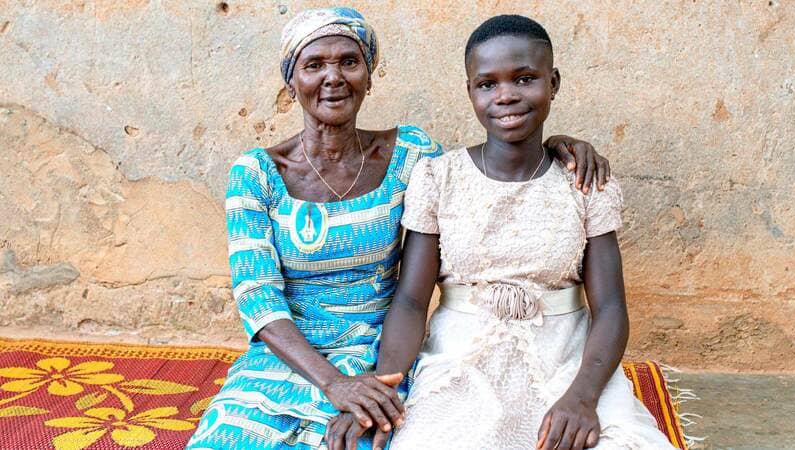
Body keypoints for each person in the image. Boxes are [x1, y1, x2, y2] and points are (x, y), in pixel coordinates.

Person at [188, 8, 612, 450]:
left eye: (348, 62)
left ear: (369, 77)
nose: (333, 77)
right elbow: (257, 299)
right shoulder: (256, 174)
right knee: (228, 440)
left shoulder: (410, 154)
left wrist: (556, 147)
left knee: (355, 441)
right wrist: (334, 384)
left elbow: (489, 168)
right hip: (287, 355)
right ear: (291, 81)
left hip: (383, 350)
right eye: (314, 65)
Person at [350, 15, 677, 450]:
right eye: (487, 84)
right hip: (460, 354)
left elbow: (612, 307)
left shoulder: (584, 181)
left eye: (525, 79)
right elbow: (411, 301)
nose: (506, 96)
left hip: (566, 356)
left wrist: (581, 397)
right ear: (470, 91)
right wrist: (385, 388)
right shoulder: (437, 177)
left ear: (553, 82)